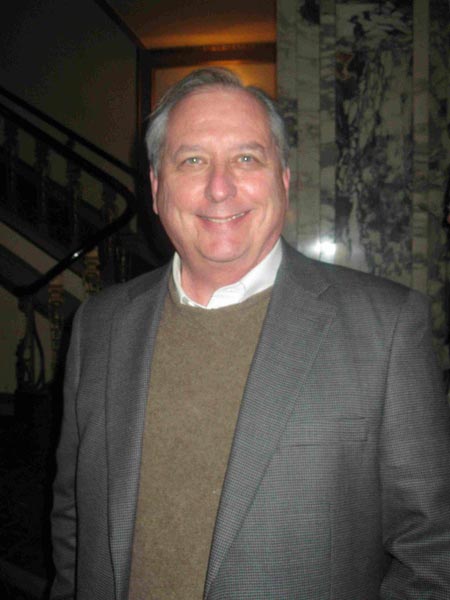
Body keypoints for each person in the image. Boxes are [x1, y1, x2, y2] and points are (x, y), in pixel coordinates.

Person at [50, 68, 450, 600]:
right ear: (156, 188)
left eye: (246, 158)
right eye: (192, 160)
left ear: (284, 178)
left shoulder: (386, 328)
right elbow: (73, 522)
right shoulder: (98, 326)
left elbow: (433, 551)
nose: (220, 187)